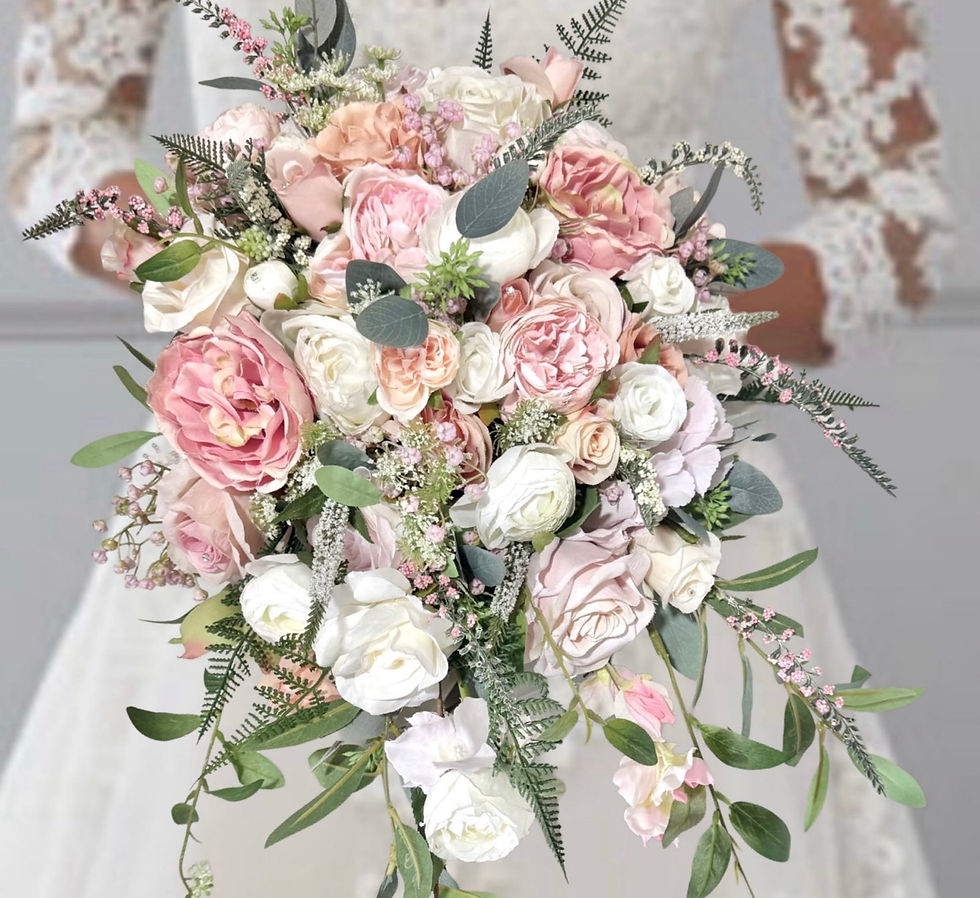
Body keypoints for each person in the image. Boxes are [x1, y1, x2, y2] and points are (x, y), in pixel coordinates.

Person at [2, 1, 950, 896]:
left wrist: (651, 317)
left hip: (644, 505)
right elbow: (56, 134)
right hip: (274, 515)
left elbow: (899, 216)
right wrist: (247, 272)